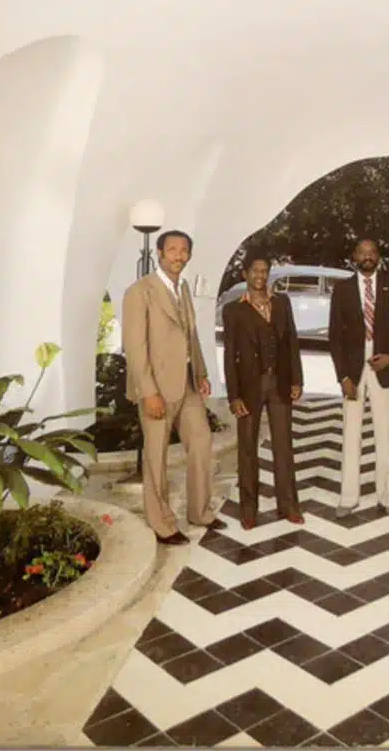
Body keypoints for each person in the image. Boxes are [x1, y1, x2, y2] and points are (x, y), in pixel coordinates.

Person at [121, 229, 222, 545]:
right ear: (160, 253)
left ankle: (199, 512)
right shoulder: (140, 291)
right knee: (156, 457)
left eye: (184, 250)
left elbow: (191, 335)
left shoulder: (184, 289)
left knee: (202, 441)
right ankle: (161, 524)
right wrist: (148, 391)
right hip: (157, 387)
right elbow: (135, 348)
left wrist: (201, 372)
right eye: (173, 250)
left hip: (186, 383)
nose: (179, 256)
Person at [328, 238, 389, 518]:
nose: (367, 257)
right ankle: (348, 498)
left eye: (372, 252)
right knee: (351, 434)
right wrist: (343, 376)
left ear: (379, 256)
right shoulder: (342, 289)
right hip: (353, 372)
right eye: (362, 253)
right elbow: (335, 336)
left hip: (383, 369)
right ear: (354, 256)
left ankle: (388, 497)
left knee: (385, 433)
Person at [221, 247, 305, 530]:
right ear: (245, 274)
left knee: (284, 447)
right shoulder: (233, 310)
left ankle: (289, 506)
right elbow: (229, 355)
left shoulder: (282, 303)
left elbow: (292, 342)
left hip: (279, 383)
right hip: (249, 388)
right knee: (247, 449)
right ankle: (248, 510)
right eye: (255, 271)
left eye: (264, 271)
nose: (260, 275)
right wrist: (234, 396)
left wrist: (297, 380)